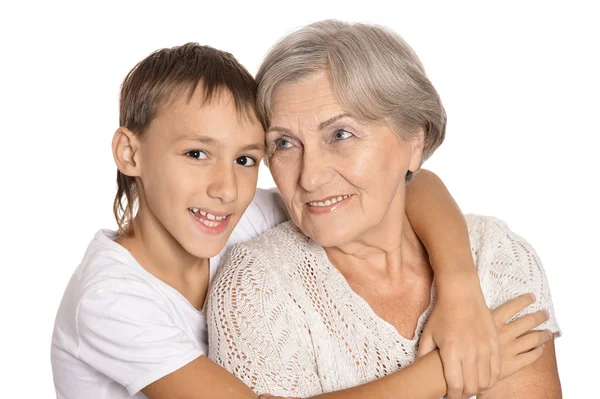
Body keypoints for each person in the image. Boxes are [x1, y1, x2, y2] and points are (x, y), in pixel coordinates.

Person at [51, 43, 549, 399]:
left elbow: (410, 185)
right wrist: (451, 371)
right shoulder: (109, 299)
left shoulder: (226, 219)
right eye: (197, 152)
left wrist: (460, 288)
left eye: (247, 159)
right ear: (129, 152)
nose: (226, 187)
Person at [208, 20, 561, 398]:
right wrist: (441, 371)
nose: (309, 178)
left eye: (340, 134)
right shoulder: (256, 288)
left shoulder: (494, 257)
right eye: (284, 143)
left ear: (414, 140)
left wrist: (458, 282)